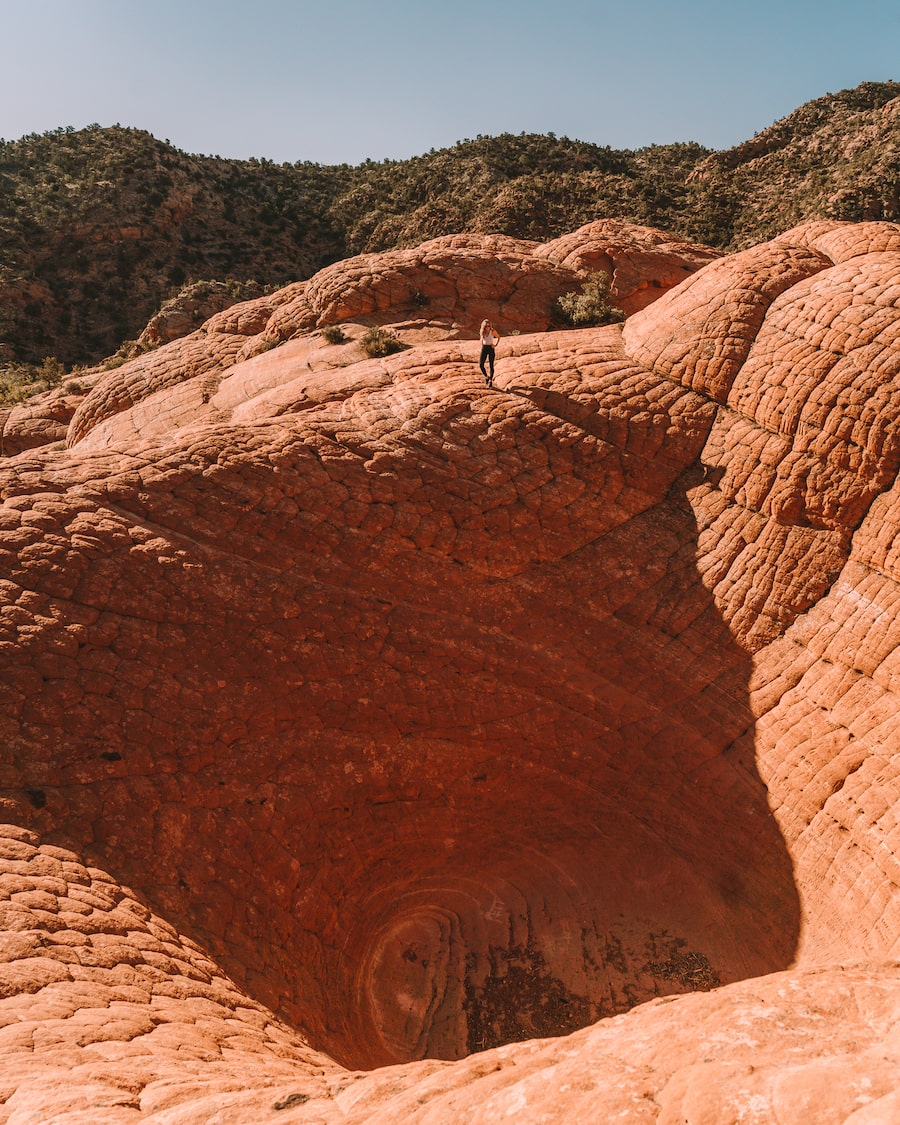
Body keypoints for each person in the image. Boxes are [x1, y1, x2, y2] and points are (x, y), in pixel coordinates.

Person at [479, 319, 499, 386]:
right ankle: (486, 377)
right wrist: (482, 344)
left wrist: (495, 344)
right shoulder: (482, 331)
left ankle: (490, 380)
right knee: (481, 364)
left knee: (491, 365)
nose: (487, 327)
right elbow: (481, 339)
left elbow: (498, 337)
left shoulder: (492, 331)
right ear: (484, 326)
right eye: (486, 326)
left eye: (489, 326)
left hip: (491, 348)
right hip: (484, 348)